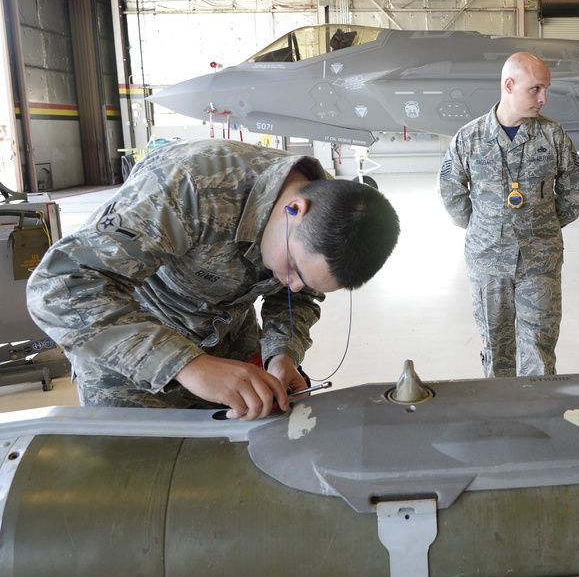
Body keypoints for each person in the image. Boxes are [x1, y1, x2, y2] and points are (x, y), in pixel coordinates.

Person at [26, 138, 400, 419]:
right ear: (294, 209)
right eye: (294, 269)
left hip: (229, 341)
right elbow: (59, 287)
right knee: (137, 484)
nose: (294, 284)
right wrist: (188, 365)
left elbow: (299, 295)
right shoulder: (188, 186)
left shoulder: (333, 215)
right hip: (132, 346)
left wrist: (282, 354)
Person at [438, 51, 579, 377]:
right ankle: (502, 419)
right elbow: (452, 193)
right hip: (487, 262)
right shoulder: (470, 138)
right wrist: (486, 227)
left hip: (540, 262)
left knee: (539, 349)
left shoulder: (553, 136)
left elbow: (573, 192)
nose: (544, 98)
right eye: (535, 89)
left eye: (546, 89)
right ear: (509, 85)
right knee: (496, 348)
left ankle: (539, 415)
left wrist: (541, 226)